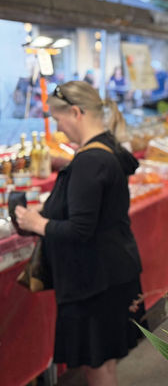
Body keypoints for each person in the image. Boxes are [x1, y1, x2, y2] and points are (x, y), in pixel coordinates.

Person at [14, 81, 144, 386]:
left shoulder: (90, 160)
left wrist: (35, 223)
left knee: (97, 367)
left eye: (58, 119)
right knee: (105, 363)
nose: (59, 129)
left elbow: (80, 229)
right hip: (114, 271)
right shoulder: (106, 147)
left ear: (76, 112)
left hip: (94, 281)